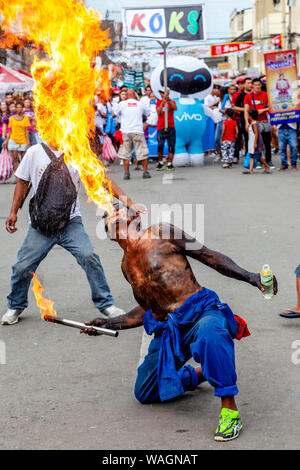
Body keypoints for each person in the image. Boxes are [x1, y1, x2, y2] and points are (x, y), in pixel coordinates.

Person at [81, 205, 277, 442]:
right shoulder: (127, 266)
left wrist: (250, 277)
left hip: (199, 312)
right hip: (170, 329)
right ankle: (203, 372)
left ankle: (230, 410)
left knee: (211, 332)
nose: (109, 215)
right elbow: (148, 308)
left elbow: (208, 255)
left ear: (134, 218)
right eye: (106, 215)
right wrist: (108, 323)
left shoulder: (161, 233)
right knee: (145, 390)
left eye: (116, 210)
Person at [1, 141, 147, 326]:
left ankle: (106, 304)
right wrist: (13, 211)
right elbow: (22, 183)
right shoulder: (33, 153)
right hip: (41, 226)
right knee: (22, 266)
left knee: (90, 257)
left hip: (70, 223)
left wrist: (130, 202)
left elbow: (102, 180)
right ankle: (16, 305)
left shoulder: (77, 150)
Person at [114, 88, 151, 180]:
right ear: (134, 95)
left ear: (127, 95)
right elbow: (148, 114)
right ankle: (145, 172)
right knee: (142, 152)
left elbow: (114, 114)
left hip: (126, 131)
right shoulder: (140, 104)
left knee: (126, 153)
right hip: (138, 131)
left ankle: (126, 174)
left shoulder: (122, 104)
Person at [244, 78, 274, 169]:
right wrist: (246, 122)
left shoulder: (266, 95)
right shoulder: (248, 96)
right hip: (253, 123)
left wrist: (263, 110)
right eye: (255, 85)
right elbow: (246, 110)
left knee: (267, 143)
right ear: (252, 86)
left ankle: (268, 161)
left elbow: (272, 107)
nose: (257, 86)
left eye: (259, 85)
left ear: (261, 85)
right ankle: (258, 162)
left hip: (264, 122)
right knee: (255, 142)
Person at [2, 101, 30, 177]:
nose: (18, 109)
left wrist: (28, 142)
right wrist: (6, 141)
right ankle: (17, 177)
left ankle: (23, 176)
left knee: (24, 159)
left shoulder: (26, 118)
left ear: (22, 108)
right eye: (17, 107)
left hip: (23, 140)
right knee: (15, 159)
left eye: (20, 107)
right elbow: (9, 131)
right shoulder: (12, 118)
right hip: (13, 140)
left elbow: (27, 131)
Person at [242, 109, 270, 175]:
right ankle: (250, 170)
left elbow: (256, 134)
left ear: (251, 116)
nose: (248, 116)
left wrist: (255, 143)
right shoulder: (252, 124)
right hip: (251, 142)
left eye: (248, 115)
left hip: (254, 142)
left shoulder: (254, 124)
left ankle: (267, 166)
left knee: (259, 156)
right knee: (252, 156)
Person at [155, 87, 177, 171]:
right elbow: (158, 112)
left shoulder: (172, 102)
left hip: (171, 127)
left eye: (163, 93)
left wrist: (169, 101)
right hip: (161, 127)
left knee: (171, 146)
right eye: (161, 93)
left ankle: (169, 163)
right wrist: (162, 103)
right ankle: (160, 162)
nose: (162, 94)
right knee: (160, 145)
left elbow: (175, 108)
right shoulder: (159, 102)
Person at [232, 77, 253, 163]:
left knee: (250, 139)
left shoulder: (254, 94)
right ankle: (236, 156)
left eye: (251, 83)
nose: (250, 84)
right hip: (242, 120)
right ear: (244, 85)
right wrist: (245, 110)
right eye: (248, 83)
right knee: (239, 138)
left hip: (254, 120)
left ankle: (250, 157)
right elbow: (235, 107)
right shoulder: (240, 95)